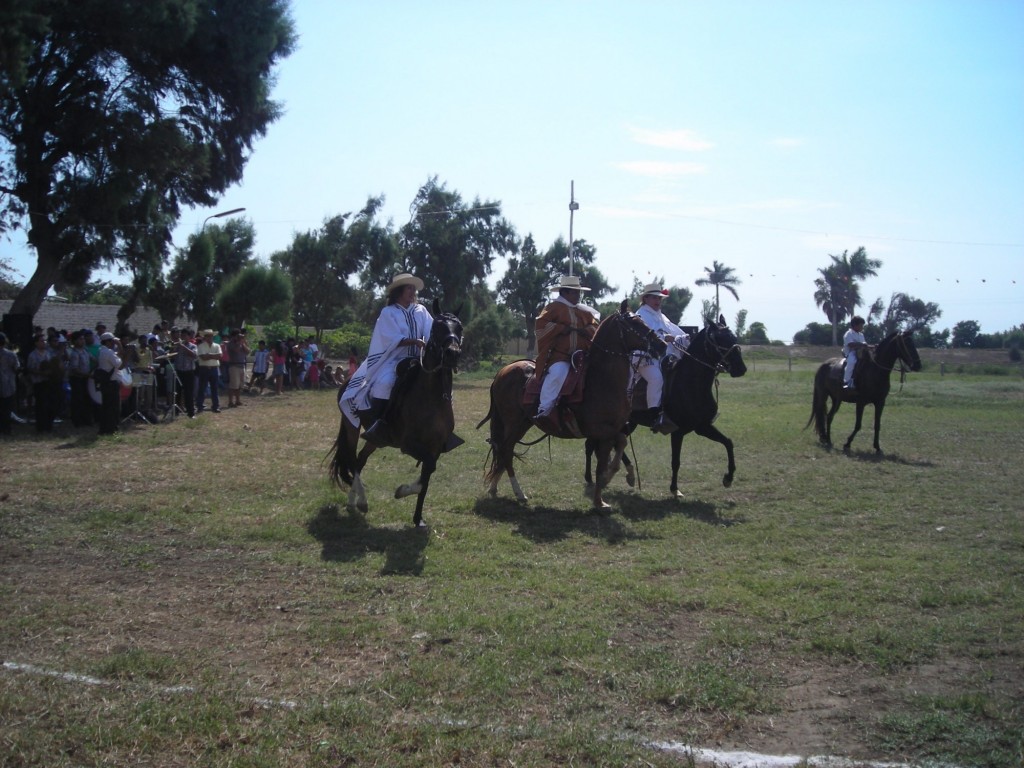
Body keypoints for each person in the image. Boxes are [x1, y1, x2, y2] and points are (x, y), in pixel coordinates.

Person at [340, 272, 432, 444]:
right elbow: (390, 338)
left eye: (413, 288)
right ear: (399, 291)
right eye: (408, 288)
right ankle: (378, 425)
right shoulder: (389, 312)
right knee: (385, 382)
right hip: (394, 359)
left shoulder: (422, 311)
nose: (412, 292)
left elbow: (430, 331)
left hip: (419, 359)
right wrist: (415, 341)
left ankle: (442, 427)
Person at [533, 274, 600, 423]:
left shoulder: (584, 311)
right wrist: (561, 328)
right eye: (575, 292)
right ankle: (544, 410)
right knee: (557, 373)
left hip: (583, 356)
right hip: (560, 356)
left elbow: (595, 327)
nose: (578, 295)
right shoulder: (553, 308)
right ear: (564, 292)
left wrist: (586, 330)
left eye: (579, 292)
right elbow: (540, 326)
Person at [634, 283, 690, 434]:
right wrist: (666, 337)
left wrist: (683, 338)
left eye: (659, 298)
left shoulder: (662, 316)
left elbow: (677, 331)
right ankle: (654, 415)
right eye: (654, 297)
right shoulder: (640, 315)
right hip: (645, 357)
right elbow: (645, 336)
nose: (657, 301)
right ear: (645, 299)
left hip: (664, 358)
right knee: (656, 378)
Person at [26, 333, 60, 432]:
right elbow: (30, 369)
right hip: (39, 383)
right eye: (41, 341)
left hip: (49, 382)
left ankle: (49, 425)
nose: (43, 342)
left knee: (51, 405)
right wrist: (41, 373)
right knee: (41, 406)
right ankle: (41, 427)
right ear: (36, 343)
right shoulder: (32, 355)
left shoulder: (48, 353)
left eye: (44, 341)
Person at [95, 332, 123, 435]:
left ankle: (105, 428)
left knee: (106, 406)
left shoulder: (101, 351)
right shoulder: (108, 352)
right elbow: (118, 364)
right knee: (113, 407)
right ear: (107, 341)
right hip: (111, 382)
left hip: (105, 382)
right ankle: (111, 428)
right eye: (112, 341)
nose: (114, 343)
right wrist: (120, 347)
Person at [170, 327, 198, 418]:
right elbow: (171, 356)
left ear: (189, 337)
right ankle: (176, 412)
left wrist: (183, 347)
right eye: (182, 335)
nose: (183, 337)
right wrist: (174, 348)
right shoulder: (177, 346)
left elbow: (194, 355)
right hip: (178, 372)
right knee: (177, 392)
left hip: (189, 372)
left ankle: (191, 413)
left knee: (189, 393)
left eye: (185, 335)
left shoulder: (193, 346)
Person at [196, 329, 222, 413]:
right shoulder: (201, 346)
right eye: (208, 336)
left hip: (214, 368)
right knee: (202, 388)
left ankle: (215, 406)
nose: (210, 337)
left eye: (211, 335)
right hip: (204, 368)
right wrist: (214, 356)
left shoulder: (217, 345)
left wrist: (209, 355)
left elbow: (220, 356)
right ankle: (200, 406)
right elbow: (203, 357)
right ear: (205, 337)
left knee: (215, 388)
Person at [0, 332, 20, 436]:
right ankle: (6, 430)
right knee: (7, 409)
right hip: (8, 385)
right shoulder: (11, 354)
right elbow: (16, 368)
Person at [224, 328, 250, 407]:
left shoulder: (242, 342)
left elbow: (248, 351)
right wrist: (239, 342)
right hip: (234, 366)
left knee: (239, 385)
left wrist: (243, 343)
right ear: (233, 336)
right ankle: (230, 402)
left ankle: (238, 400)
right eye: (237, 336)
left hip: (241, 365)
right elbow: (237, 350)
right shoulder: (231, 343)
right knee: (233, 385)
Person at [843, 315, 867, 390]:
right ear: (855, 325)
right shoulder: (848, 334)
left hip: (860, 352)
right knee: (852, 362)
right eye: (861, 325)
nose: (862, 327)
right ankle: (847, 381)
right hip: (851, 352)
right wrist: (861, 344)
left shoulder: (861, 335)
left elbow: (864, 345)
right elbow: (850, 345)